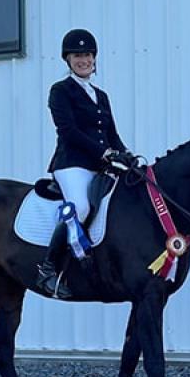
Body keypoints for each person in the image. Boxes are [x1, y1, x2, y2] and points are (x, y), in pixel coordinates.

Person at [37, 28, 136, 298]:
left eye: (88, 55)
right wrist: (104, 153)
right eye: (77, 55)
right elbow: (68, 131)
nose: (84, 60)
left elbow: (112, 134)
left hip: (100, 165)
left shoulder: (101, 95)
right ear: (67, 60)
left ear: (94, 58)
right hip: (72, 164)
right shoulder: (60, 91)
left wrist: (125, 154)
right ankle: (48, 268)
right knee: (79, 207)